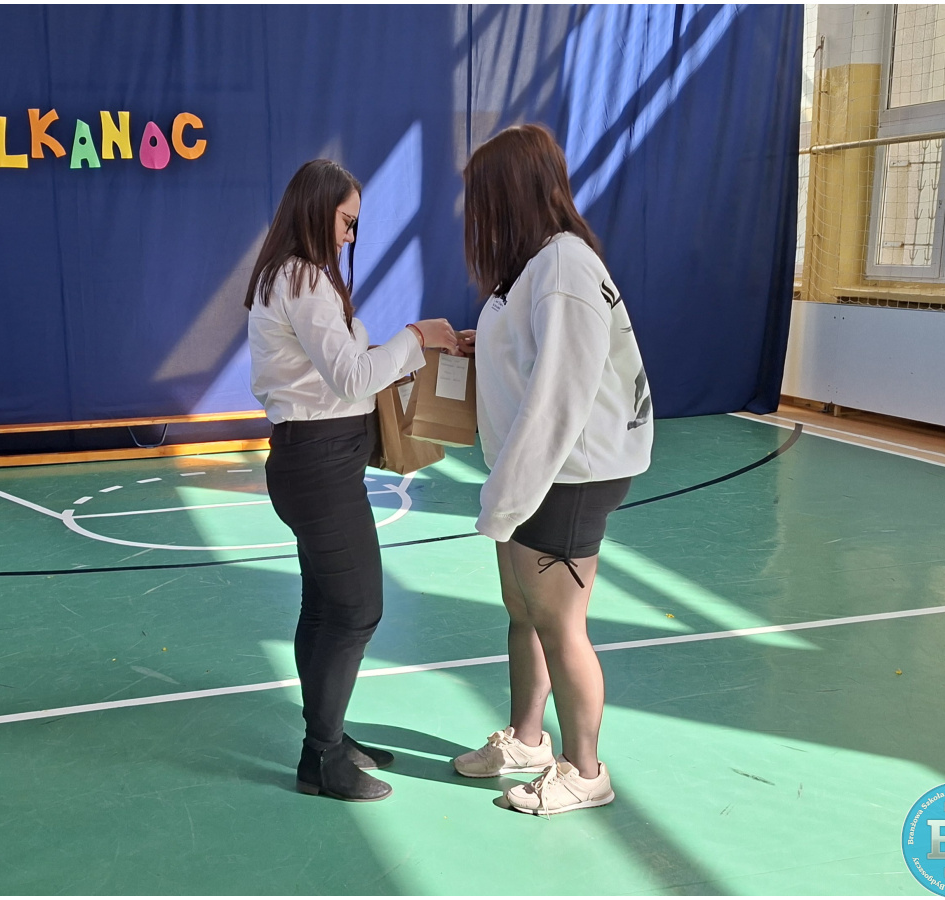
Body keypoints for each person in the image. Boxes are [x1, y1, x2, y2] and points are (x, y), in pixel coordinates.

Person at [451, 124, 654, 815]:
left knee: (559, 624)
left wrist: (504, 498)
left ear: (509, 192)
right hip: (538, 468)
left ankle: (586, 770)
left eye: (481, 196)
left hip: (568, 472)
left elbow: (560, 397)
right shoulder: (535, 265)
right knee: (524, 610)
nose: (474, 212)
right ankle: (528, 740)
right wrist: (488, 346)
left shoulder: (564, 267)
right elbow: (537, 358)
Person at [244, 159, 459, 803]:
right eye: (346, 221)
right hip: (319, 465)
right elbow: (351, 378)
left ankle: (328, 738)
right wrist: (415, 336)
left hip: (311, 461)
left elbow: (344, 369)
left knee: (324, 607)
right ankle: (321, 757)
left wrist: (407, 351)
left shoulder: (285, 275)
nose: (350, 236)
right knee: (359, 609)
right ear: (317, 211)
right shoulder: (304, 279)